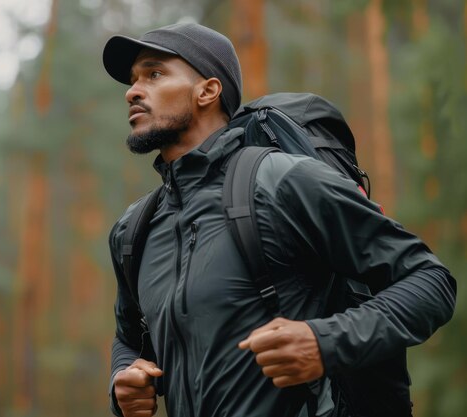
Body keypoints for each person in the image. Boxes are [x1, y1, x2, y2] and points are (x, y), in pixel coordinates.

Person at [102, 23, 456, 417]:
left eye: (153, 74)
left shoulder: (282, 182)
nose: (132, 91)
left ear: (208, 91)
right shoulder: (134, 229)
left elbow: (430, 282)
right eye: (133, 81)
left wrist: (324, 343)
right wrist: (124, 378)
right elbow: (130, 337)